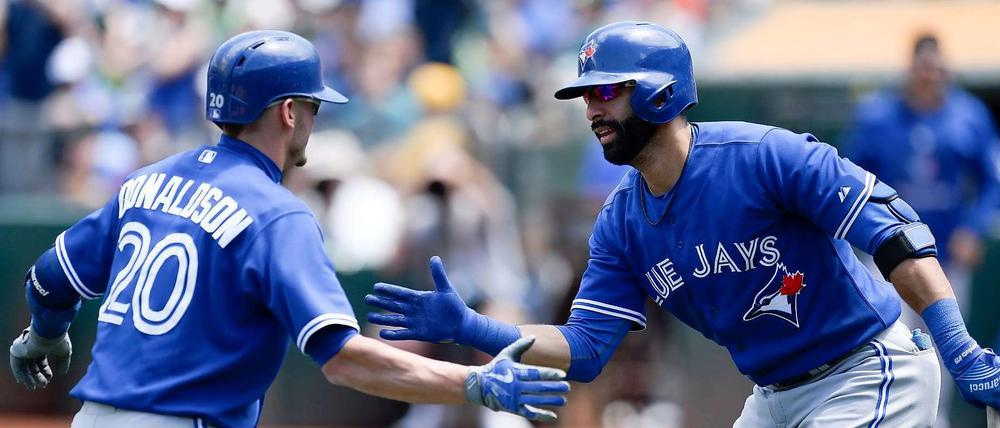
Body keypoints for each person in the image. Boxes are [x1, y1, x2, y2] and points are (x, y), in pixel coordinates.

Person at [365, 21, 1000, 426]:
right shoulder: (620, 221)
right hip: (775, 395)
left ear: (661, 94)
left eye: (606, 90)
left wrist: (960, 347)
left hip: (866, 368)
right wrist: (473, 327)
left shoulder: (760, 155)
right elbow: (585, 351)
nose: (591, 107)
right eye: (586, 94)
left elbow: (896, 232)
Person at [7, 30, 569, 428]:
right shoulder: (278, 213)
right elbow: (344, 359)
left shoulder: (144, 182)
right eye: (313, 108)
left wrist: (44, 336)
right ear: (287, 113)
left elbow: (50, 281)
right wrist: (471, 383)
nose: (313, 121)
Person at [845, 34, 1000, 426]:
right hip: (888, 252)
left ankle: (935, 421)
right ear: (911, 70)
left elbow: (991, 180)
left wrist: (973, 228)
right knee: (889, 341)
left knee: (948, 344)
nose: (928, 77)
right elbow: (845, 177)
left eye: (935, 69)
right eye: (922, 69)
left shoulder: (969, 115)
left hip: (945, 254)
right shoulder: (878, 116)